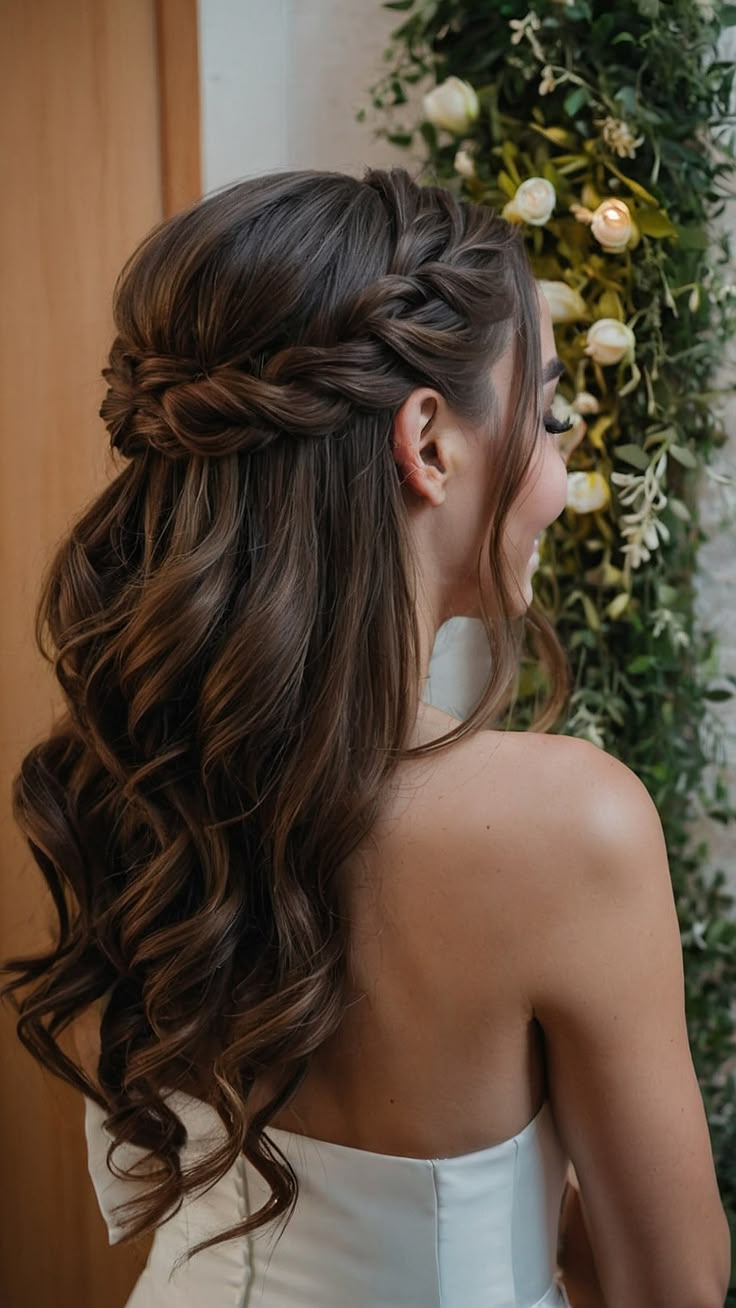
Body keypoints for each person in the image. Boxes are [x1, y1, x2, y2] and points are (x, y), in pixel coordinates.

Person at [2, 167, 729, 1308]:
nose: (558, 475)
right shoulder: (567, 825)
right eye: (544, 418)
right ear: (428, 444)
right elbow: (672, 1289)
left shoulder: (131, 761)